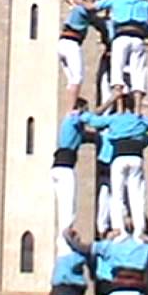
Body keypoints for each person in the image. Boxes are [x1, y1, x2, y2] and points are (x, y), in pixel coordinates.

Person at [81, 109, 148, 238]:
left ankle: (119, 229)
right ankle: (140, 229)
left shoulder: (114, 119)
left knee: (117, 195)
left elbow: (93, 121)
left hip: (119, 158)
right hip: (136, 158)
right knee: (137, 195)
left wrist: (83, 114)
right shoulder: (140, 119)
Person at [91, 0, 148, 113]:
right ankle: (137, 109)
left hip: (121, 37)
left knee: (117, 72)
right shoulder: (143, 3)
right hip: (138, 38)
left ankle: (120, 108)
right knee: (138, 73)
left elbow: (94, 7)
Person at [53, 98, 91, 253]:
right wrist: (111, 101)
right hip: (65, 168)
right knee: (68, 210)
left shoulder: (73, 126)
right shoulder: (73, 118)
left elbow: (90, 135)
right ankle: (65, 246)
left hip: (59, 168)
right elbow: (96, 119)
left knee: (65, 209)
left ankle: (64, 243)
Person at [58, 0, 99, 111]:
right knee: (77, 78)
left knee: (71, 80)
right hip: (72, 43)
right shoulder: (84, 11)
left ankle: (69, 107)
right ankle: (71, 110)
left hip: (62, 43)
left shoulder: (76, 9)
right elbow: (93, 13)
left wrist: (72, 1)